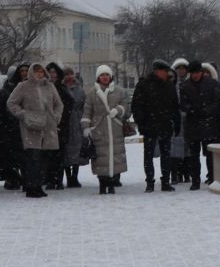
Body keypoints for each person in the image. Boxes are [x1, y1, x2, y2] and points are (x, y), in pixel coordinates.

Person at [7, 60, 61, 198]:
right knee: (33, 159)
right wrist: (24, 115)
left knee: (44, 159)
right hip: (31, 127)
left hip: (48, 127)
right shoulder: (23, 86)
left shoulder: (49, 86)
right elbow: (11, 103)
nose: (39, 73)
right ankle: (31, 187)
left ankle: (39, 185)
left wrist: (55, 117)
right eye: (37, 71)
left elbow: (59, 104)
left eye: (42, 71)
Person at [131, 59, 179, 192]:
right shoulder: (144, 85)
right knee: (149, 155)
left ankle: (165, 181)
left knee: (166, 155)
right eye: (165, 71)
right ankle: (150, 182)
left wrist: (176, 122)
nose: (167, 74)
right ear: (158, 71)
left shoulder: (169, 86)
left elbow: (174, 106)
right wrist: (141, 122)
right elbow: (136, 106)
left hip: (165, 125)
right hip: (149, 126)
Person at [178, 60, 220, 187]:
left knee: (210, 154)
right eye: (193, 73)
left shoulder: (212, 84)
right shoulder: (185, 86)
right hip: (193, 124)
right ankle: (195, 180)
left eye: (197, 72)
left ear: (201, 72)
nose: (195, 75)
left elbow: (217, 102)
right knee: (194, 155)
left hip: (208, 124)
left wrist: (207, 110)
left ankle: (212, 177)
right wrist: (193, 110)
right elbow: (183, 104)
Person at [83, 64, 129, 193]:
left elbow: (125, 106)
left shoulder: (119, 91)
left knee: (114, 156)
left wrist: (117, 110)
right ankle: (102, 184)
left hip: (115, 129)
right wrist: (86, 128)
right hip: (99, 129)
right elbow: (87, 112)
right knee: (100, 159)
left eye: (107, 75)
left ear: (111, 76)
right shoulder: (92, 93)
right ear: (98, 77)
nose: (105, 77)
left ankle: (113, 183)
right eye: (102, 75)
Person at [55, 64, 84, 189]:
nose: (69, 77)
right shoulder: (60, 89)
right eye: (66, 74)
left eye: (70, 74)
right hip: (64, 121)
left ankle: (75, 177)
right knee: (65, 151)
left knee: (76, 150)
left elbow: (83, 105)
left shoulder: (80, 89)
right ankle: (67, 177)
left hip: (77, 122)